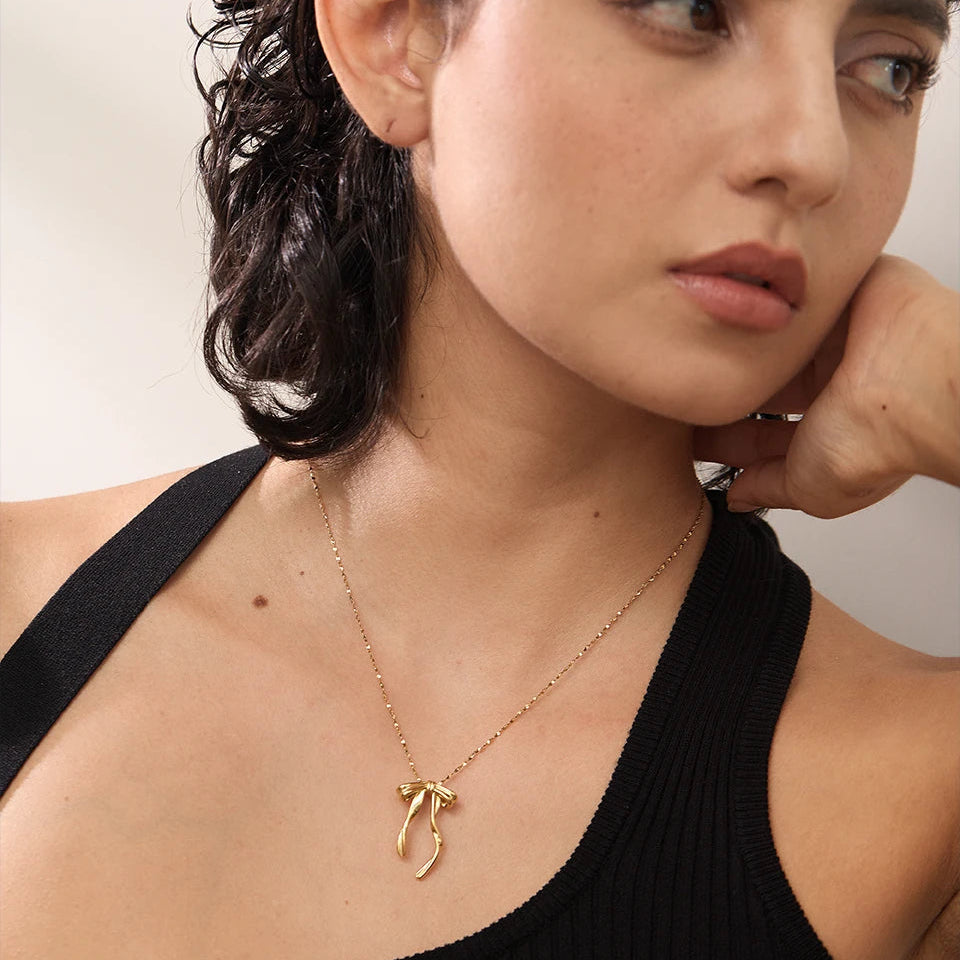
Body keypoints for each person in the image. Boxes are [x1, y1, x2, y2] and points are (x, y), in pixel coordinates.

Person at [1, 0, 958, 957]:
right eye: (689, 9)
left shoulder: (923, 794)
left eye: (890, 68)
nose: (814, 153)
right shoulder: (19, 607)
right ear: (392, 34)